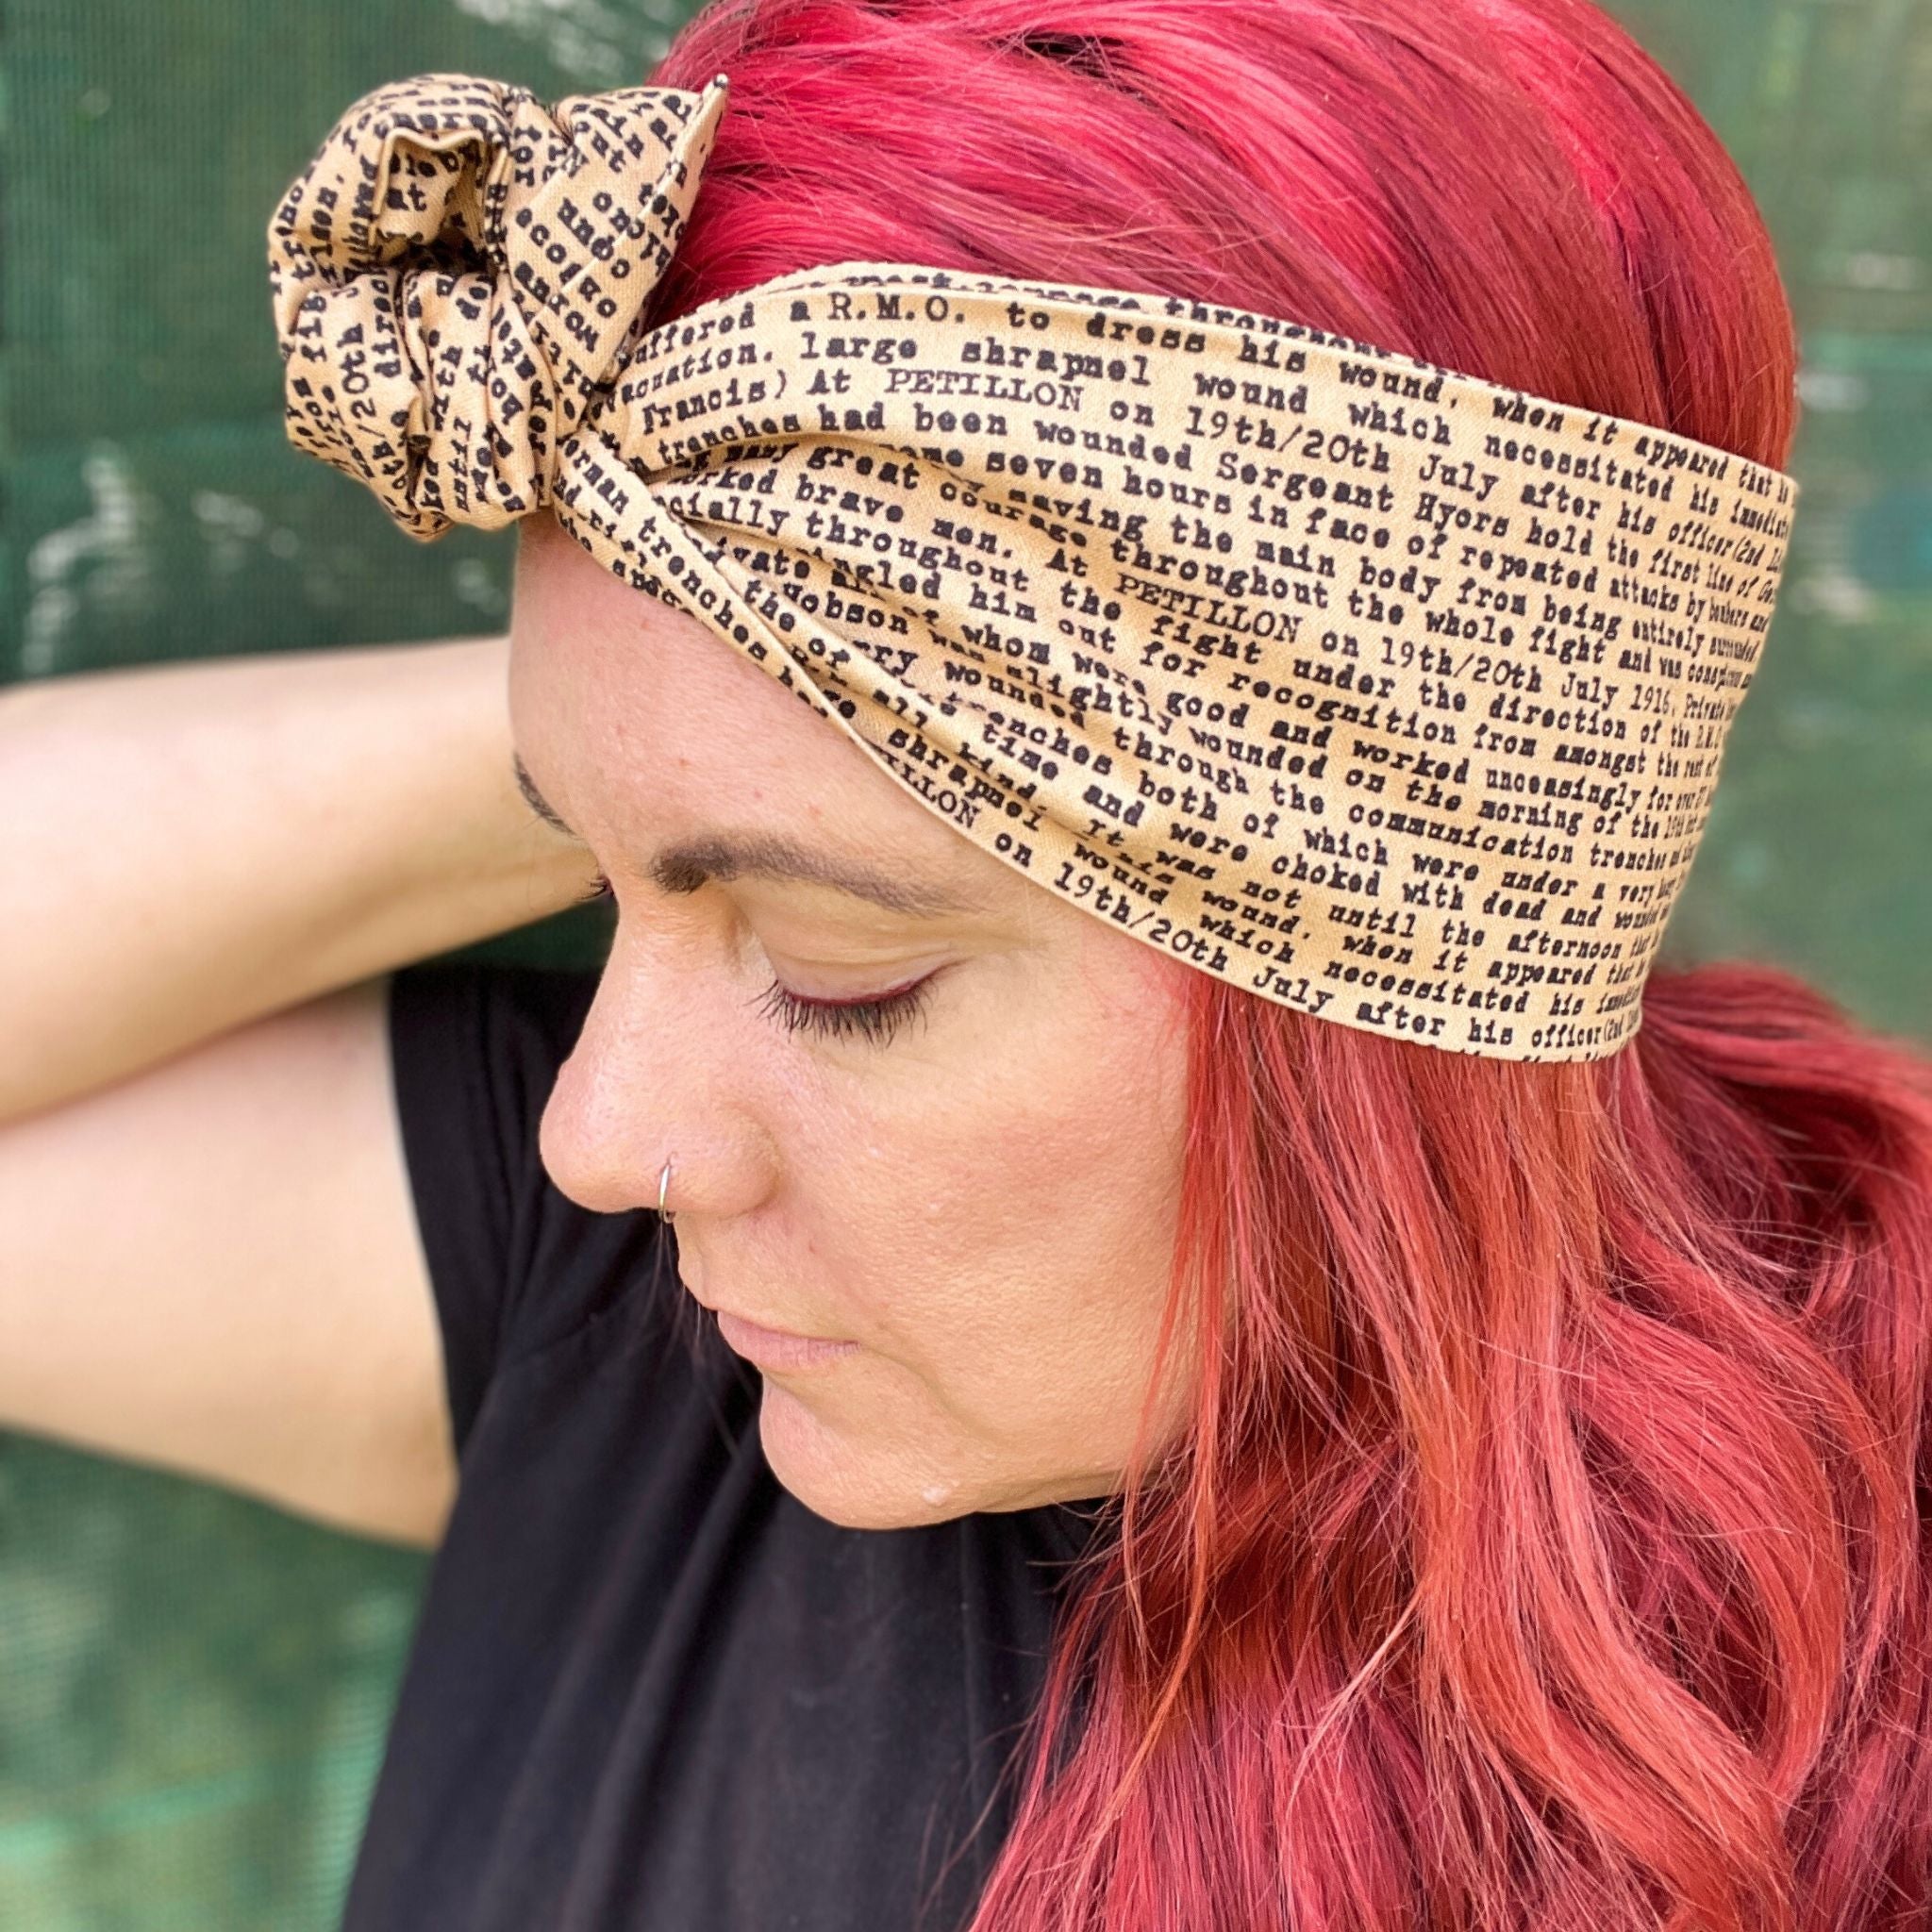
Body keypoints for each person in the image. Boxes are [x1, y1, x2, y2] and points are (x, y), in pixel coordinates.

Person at [3, 1, 1929, 1928]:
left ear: (1384, 962)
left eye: (844, 972)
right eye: (599, 879)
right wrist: (679, 696)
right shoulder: (639, 1338)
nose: (601, 1133)